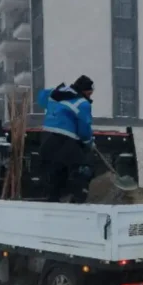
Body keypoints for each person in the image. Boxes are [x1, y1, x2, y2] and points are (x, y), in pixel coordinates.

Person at [36, 75, 95, 203]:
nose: (90, 97)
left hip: (46, 138)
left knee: (55, 171)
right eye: (89, 93)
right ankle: (78, 198)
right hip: (65, 139)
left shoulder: (55, 94)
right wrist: (89, 143)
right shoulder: (83, 103)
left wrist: (54, 92)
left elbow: (41, 98)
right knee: (83, 167)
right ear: (84, 91)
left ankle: (53, 199)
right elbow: (84, 128)